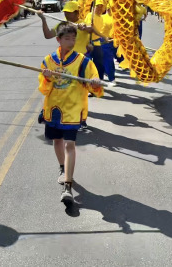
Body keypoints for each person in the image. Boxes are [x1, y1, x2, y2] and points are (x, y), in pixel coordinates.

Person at [39, 22, 103, 205]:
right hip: (53, 109)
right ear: (58, 40)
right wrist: (47, 77)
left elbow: (93, 84)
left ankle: (67, 185)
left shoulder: (83, 61)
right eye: (67, 38)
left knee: (69, 145)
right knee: (57, 141)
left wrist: (95, 82)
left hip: (73, 110)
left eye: (73, 38)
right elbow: (43, 89)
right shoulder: (48, 61)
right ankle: (62, 168)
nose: (71, 41)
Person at [84, 0, 109, 80]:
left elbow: (100, 31)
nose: (99, 8)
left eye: (101, 7)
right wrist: (103, 36)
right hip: (88, 43)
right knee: (87, 65)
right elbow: (91, 29)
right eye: (97, 6)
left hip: (97, 43)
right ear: (94, 7)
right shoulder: (90, 15)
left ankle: (99, 82)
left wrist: (105, 37)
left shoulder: (101, 18)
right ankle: (87, 83)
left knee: (99, 65)